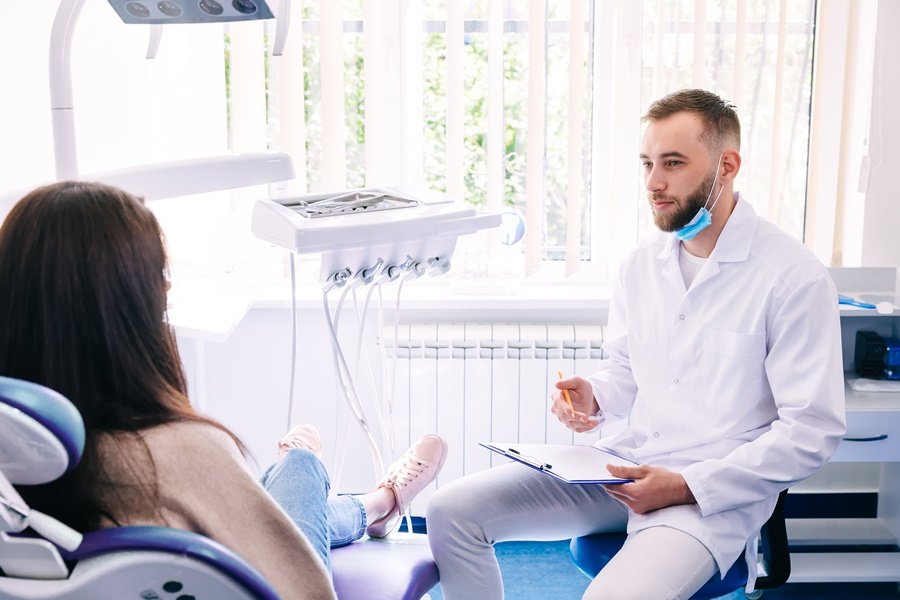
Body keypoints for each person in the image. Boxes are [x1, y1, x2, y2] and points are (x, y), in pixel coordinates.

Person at [426, 89, 846, 600]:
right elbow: (627, 370)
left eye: (672, 163)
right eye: (647, 163)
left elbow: (812, 432)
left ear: (727, 165)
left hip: (707, 496)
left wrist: (685, 485)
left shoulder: (791, 277)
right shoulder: (639, 265)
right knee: (451, 512)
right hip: (622, 467)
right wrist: (595, 395)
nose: (653, 183)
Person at [0, 180, 447, 600]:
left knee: (283, 487)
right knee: (299, 475)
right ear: (135, 303)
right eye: (159, 275)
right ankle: (363, 492)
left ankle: (372, 500)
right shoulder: (179, 453)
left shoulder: (15, 458)